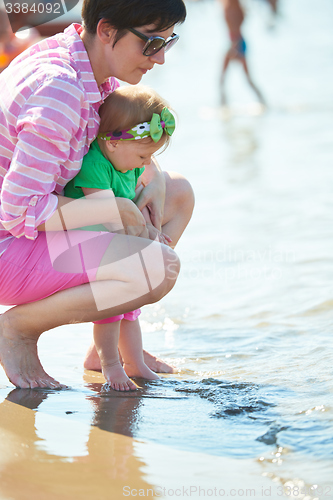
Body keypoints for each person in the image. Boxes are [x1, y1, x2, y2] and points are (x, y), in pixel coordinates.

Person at [0, 0, 194, 389]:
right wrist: (114, 209)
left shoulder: (86, 66)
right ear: (106, 31)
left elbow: (118, 146)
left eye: (167, 42)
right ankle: (18, 327)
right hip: (10, 245)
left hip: (34, 231)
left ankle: (110, 340)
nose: (159, 60)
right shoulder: (60, 90)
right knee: (157, 268)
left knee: (176, 194)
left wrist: (152, 178)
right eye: (151, 44)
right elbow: (18, 212)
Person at [64, 85, 176, 390]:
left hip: (111, 243)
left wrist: (150, 230)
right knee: (111, 312)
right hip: (83, 246)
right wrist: (143, 235)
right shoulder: (95, 166)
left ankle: (135, 362)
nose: (145, 164)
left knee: (131, 308)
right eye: (143, 155)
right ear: (113, 143)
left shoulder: (127, 163)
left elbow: (130, 212)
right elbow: (107, 218)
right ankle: (110, 364)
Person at [219, 0, 265, 105]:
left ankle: (263, 103)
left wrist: (235, 45)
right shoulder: (227, 5)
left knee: (246, 79)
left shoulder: (234, 8)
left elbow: (238, 25)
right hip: (233, 42)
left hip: (237, 43)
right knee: (224, 79)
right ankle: (223, 106)